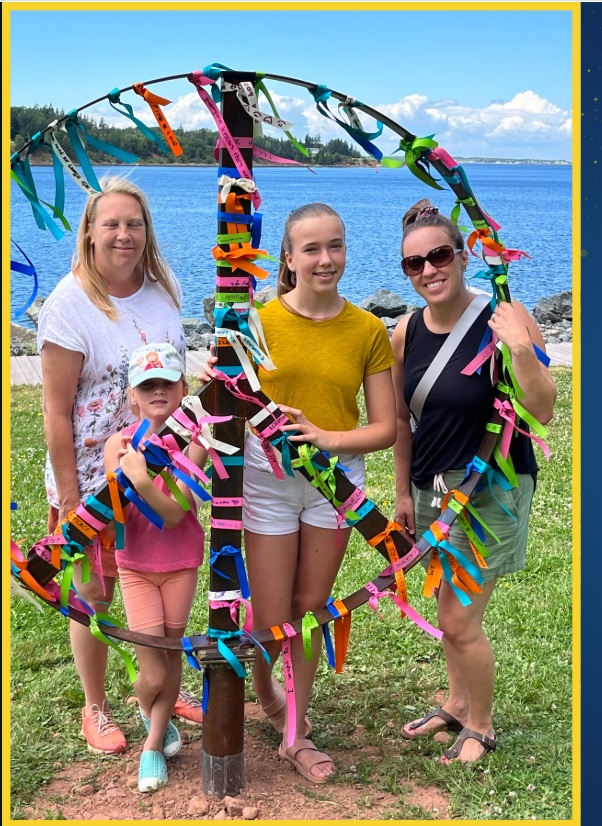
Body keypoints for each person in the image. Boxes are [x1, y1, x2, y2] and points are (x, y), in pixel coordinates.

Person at [36, 177, 201, 756]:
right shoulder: (69, 303)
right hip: (91, 477)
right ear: (89, 231)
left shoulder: (163, 290)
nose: (124, 234)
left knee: (149, 584)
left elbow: (177, 380)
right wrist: (70, 496)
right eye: (112, 223)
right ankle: (96, 705)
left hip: (159, 475)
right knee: (92, 596)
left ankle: (156, 687)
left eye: (134, 224)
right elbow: (56, 412)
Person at [391, 200, 556, 763]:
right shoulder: (405, 331)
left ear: (463, 256)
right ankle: (456, 704)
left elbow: (543, 407)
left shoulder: (504, 317)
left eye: (439, 255)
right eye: (414, 264)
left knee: (459, 618)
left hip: (489, 487)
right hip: (431, 485)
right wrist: (401, 493)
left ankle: (481, 725)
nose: (429, 270)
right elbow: (402, 422)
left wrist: (518, 348)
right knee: (444, 604)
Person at [239, 202, 396, 783]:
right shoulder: (255, 323)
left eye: (335, 246)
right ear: (288, 257)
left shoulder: (367, 329)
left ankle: (295, 733)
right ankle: (267, 691)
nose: (325, 259)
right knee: (270, 615)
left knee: (309, 613)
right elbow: (225, 399)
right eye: (311, 248)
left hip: (336, 487)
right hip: (268, 482)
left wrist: (330, 437)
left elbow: (385, 426)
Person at [104, 343, 209, 792]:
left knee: (171, 654)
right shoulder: (119, 444)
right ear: (132, 396)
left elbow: (175, 512)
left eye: (167, 382)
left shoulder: (197, 443)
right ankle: (155, 716)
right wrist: (123, 473)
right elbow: (112, 515)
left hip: (181, 562)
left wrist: (141, 478)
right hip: (135, 566)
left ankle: (151, 744)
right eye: (148, 385)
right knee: (153, 672)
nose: (159, 391)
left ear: (183, 388)